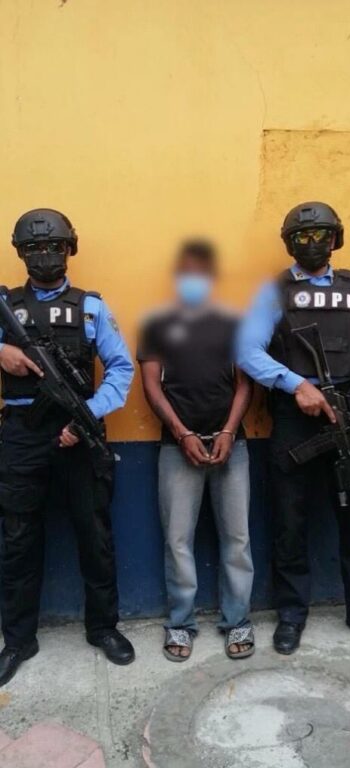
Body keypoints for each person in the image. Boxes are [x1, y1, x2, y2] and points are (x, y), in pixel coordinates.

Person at [237, 201, 350, 655]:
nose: (313, 243)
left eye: (322, 235)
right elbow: (247, 350)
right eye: (302, 236)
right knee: (290, 521)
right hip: (294, 416)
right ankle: (291, 615)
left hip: (347, 410)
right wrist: (295, 384)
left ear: (336, 239)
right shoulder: (274, 292)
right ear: (290, 244)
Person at [0, 208, 135, 685]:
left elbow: (121, 368)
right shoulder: (7, 306)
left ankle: (104, 628)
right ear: (21, 254)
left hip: (79, 434)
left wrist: (88, 416)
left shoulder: (91, 308)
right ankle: (18, 639)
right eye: (34, 248)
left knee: (94, 536)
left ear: (69, 249)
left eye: (53, 246)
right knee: (18, 538)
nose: (44, 255)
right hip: (21, 434)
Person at [137, 240, 255, 662]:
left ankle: (238, 621)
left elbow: (245, 384)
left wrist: (228, 431)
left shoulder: (234, 325)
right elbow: (151, 386)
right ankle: (180, 623)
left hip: (231, 445)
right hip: (177, 447)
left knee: (237, 539)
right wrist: (182, 432)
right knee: (177, 540)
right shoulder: (157, 325)